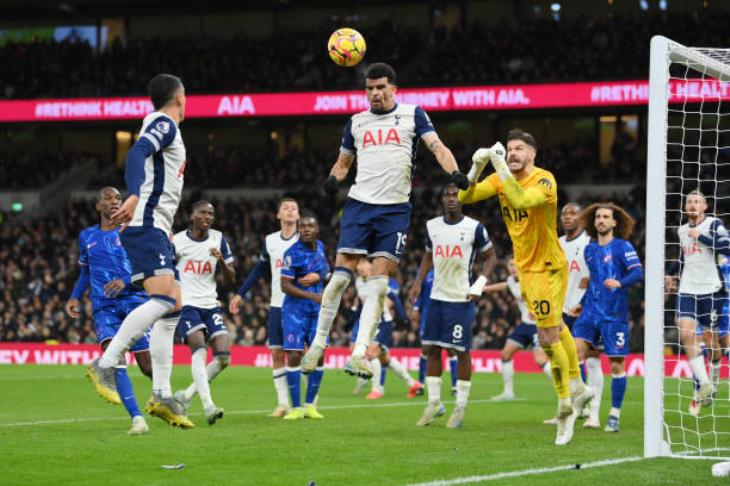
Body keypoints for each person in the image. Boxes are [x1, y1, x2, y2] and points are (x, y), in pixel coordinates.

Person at [300, 62, 470, 378]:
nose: (375, 93)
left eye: (381, 87)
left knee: (379, 287)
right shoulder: (356, 122)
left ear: (393, 88)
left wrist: (455, 172)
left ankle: (359, 354)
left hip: (395, 210)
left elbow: (437, 146)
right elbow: (343, 163)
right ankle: (318, 346)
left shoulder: (413, 114)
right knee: (339, 278)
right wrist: (332, 181)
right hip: (359, 205)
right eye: (370, 88)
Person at [458, 129, 592, 445]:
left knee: (546, 338)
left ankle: (565, 407)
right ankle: (579, 387)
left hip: (548, 266)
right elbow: (464, 197)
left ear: (533, 154)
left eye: (519, 149)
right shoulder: (500, 177)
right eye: (509, 149)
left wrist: (499, 164)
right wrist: (477, 167)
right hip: (526, 269)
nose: (513, 153)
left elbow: (519, 198)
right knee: (556, 328)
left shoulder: (545, 180)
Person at [86, 73, 193, 429]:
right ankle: (107, 363)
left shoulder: (162, 125)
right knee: (163, 299)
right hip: (145, 225)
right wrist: (133, 195)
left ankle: (162, 394)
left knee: (174, 305)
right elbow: (137, 152)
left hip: (156, 228)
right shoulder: (164, 123)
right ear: (180, 98)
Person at [66, 187, 152, 435]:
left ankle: (168, 396)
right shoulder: (87, 236)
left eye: (118, 198)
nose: (114, 202)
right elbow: (85, 270)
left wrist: (125, 280)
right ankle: (137, 418)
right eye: (108, 198)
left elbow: (148, 266)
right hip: (104, 307)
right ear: (98, 206)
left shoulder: (133, 232)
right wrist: (74, 296)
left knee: (146, 366)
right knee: (114, 357)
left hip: (135, 300)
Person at [410, 183, 496, 428]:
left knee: (461, 351)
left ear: (463, 199)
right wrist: (417, 282)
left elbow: (492, 257)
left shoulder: (474, 228)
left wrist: (479, 283)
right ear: (441, 199)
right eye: (447, 194)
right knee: (432, 350)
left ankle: (460, 406)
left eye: (456, 195)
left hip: (461, 299)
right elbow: (428, 255)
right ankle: (434, 403)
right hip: (436, 297)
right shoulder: (431, 226)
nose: (451, 198)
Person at [573, 203, 644, 433]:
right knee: (574, 355)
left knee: (615, 365)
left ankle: (614, 414)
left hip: (614, 315)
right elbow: (594, 280)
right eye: (598, 217)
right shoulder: (590, 250)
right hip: (590, 312)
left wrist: (620, 282)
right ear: (594, 222)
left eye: (606, 217)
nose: (601, 220)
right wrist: (581, 304)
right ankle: (587, 407)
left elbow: (637, 271)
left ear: (615, 223)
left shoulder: (622, 246)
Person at [230, 198, 300, 417]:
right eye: (285, 208)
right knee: (277, 354)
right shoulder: (270, 241)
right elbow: (259, 270)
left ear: (298, 216)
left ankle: (308, 402)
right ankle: (282, 404)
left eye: (294, 208)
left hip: (300, 306)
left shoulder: (305, 240)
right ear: (278, 215)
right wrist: (241, 293)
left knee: (299, 354)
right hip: (277, 306)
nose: (290, 210)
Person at [664, 190, 730, 415]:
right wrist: (671, 273)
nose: (692, 205)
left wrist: (699, 236)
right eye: (689, 202)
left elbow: (726, 248)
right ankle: (704, 385)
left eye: (696, 202)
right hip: (687, 289)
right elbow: (685, 257)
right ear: (684, 206)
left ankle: (712, 381)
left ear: (705, 206)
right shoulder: (682, 230)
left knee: (713, 344)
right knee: (686, 333)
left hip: (711, 289)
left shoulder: (714, 224)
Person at [172, 201, 235, 425]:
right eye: (204, 213)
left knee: (224, 357)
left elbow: (232, 278)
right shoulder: (177, 241)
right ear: (193, 215)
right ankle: (208, 406)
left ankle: (185, 397)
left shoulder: (218, 239)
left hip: (211, 304)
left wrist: (220, 261)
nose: (208, 216)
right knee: (199, 350)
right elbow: (167, 273)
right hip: (187, 305)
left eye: (211, 213)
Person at [279, 212, 330, 420]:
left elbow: (327, 267)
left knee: (319, 353)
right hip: (295, 310)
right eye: (303, 226)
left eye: (310, 226)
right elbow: (284, 285)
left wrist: (320, 275)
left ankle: (310, 405)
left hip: (317, 311)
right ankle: (296, 407)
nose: (306, 230)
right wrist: (312, 295)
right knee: (294, 355)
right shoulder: (292, 253)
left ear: (316, 230)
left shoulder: (321, 247)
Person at [351, 258, 422, 399]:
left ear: (370, 265)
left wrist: (402, 318)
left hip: (383, 322)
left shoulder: (378, 281)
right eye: (358, 264)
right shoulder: (359, 282)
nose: (360, 267)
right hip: (371, 324)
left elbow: (393, 298)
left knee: (371, 354)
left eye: (363, 263)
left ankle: (376, 389)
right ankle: (413, 383)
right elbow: (362, 303)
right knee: (385, 359)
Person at [487, 257, 552, 401]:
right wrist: (484, 289)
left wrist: (538, 308)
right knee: (505, 354)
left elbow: (546, 292)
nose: (512, 267)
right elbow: (505, 285)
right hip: (525, 324)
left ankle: (568, 391)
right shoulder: (511, 280)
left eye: (515, 264)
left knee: (541, 360)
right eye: (509, 265)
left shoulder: (531, 279)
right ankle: (508, 392)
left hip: (538, 324)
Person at [555, 202, 595, 425]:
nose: (567, 217)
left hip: (582, 308)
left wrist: (587, 297)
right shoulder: (558, 244)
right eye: (564, 214)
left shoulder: (589, 242)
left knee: (580, 357)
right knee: (562, 359)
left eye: (573, 213)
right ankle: (567, 404)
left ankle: (586, 406)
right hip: (560, 309)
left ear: (582, 217)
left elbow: (597, 273)